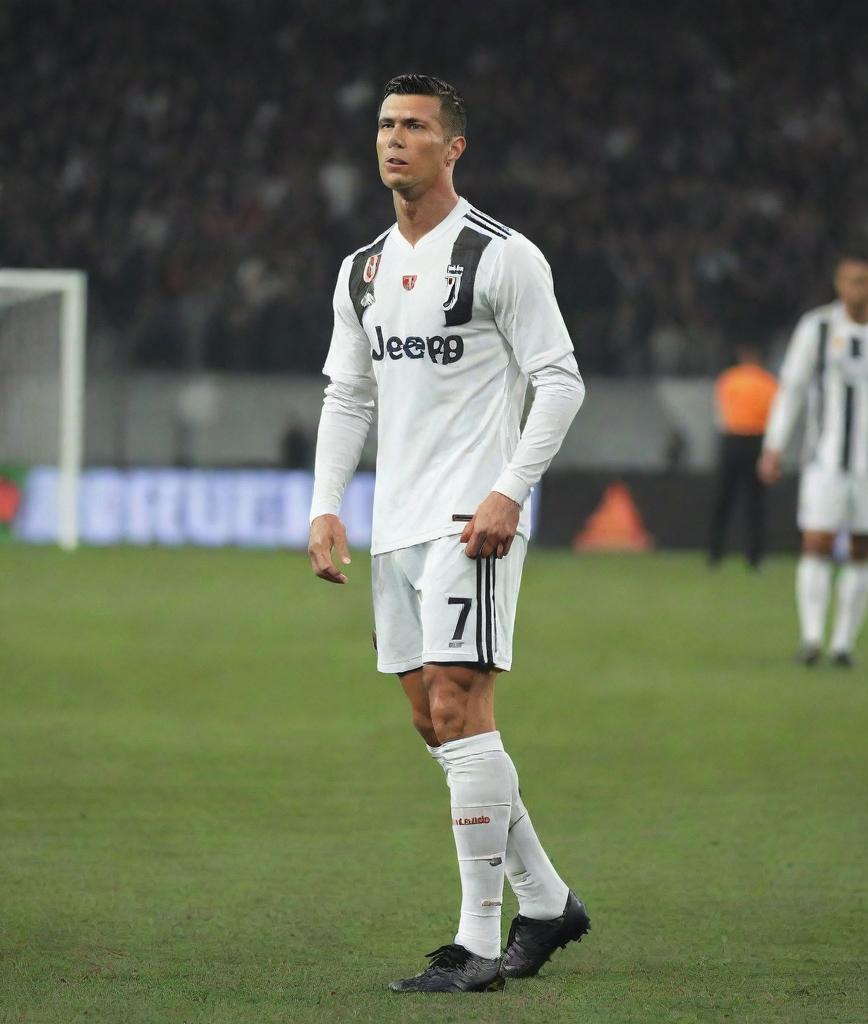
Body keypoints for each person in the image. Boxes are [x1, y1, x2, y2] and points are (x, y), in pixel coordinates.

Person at [306, 75, 588, 993]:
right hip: (397, 524)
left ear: (453, 146)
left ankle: (475, 944)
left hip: (474, 520)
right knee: (435, 724)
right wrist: (324, 503)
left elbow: (561, 380)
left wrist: (510, 492)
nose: (396, 140)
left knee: (464, 707)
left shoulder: (503, 256)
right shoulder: (363, 269)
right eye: (386, 125)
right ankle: (546, 902)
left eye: (416, 127)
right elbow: (347, 394)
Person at [758, 253, 868, 666]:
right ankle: (812, 638)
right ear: (839, 285)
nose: (859, 289)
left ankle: (843, 644)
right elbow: (792, 389)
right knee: (816, 541)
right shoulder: (816, 328)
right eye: (852, 281)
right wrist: (774, 445)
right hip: (825, 461)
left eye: (867, 281)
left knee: (862, 547)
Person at [708, 345, 777, 568]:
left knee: (723, 500)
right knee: (755, 503)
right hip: (757, 440)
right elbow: (775, 415)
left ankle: (714, 554)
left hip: (732, 440)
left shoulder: (729, 379)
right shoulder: (768, 382)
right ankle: (755, 558)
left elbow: (720, 412)